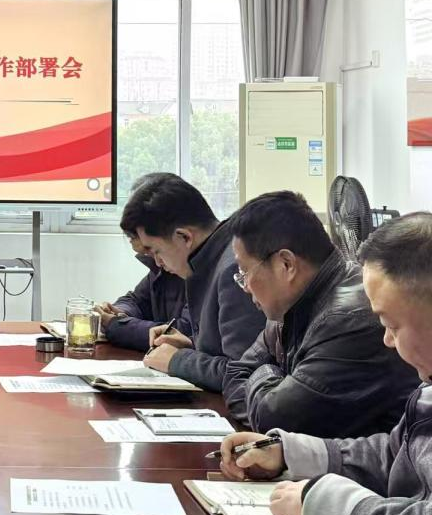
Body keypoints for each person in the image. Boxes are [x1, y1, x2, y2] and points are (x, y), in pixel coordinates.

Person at [218, 212, 432, 515]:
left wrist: (325, 503)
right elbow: (394, 454)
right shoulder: (426, 391)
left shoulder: (345, 317)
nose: (386, 339)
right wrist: (289, 454)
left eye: (391, 324)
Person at [222, 191, 417, 436]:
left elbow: (274, 419)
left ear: (286, 265)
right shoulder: (289, 308)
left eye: (244, 272)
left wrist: (266, 372)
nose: (245, 286)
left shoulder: (348, 319)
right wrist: (275, 384)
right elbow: (235, 375)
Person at [119, 173, 265, 391]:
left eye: (156, 251)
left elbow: (245, 374)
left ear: (184, 237)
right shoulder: (208, 259)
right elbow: (225, 351)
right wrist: (191, 344)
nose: (157, 262)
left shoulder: (233, 270)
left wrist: (177, 360)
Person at [98, 232, 190, 352]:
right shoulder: (160, 270)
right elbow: (136, 300)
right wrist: (121, 312)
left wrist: (115, 325)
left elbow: (183, 332)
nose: (157, 262)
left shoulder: (199, 275)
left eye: (154, 251)